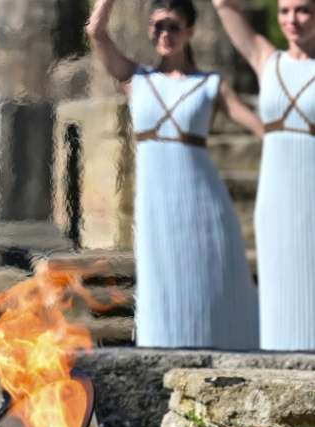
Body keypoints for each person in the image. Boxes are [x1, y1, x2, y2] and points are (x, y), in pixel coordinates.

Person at [87, 0, 262, 349]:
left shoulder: (210, 84)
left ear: (190, 31)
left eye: (173, 26)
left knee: (212, 279)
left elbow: (262, 128)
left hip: (204, 201)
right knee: (160, 281)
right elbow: (96, 32)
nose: (165, 34)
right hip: (156, 203)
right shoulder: (136, 79)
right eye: (157, 26)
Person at [213, 0, 315, 350]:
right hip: (276, 197)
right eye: (285, 11)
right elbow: (223, 5)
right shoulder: (266, 60)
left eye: (303, 10)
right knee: (279, 291)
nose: (293, 20)